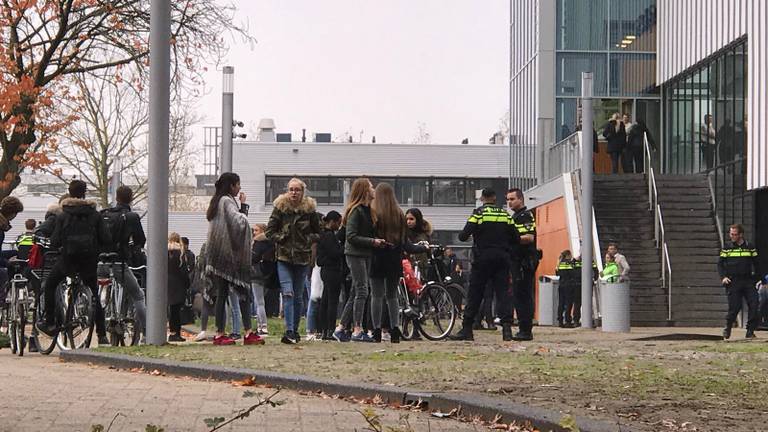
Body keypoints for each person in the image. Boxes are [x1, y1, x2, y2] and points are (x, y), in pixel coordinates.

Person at [36, 180, 111, 345]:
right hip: (89, 261)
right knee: (94, 295)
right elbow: (106, 238)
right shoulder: (95, 215)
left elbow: (55, 241)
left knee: (49, 285)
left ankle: (50, 323)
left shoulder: (63, 215)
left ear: (69, 193)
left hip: (67, 260)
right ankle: (102, 334)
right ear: (85, 193)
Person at [449, 188, 519, 342]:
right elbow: (515, 237)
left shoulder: (478, 214)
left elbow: (462, 236)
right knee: (503, 293)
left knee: (475, 293)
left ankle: (467, 328)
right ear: (494, 198)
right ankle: (507, 329)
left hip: (482, 258)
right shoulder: (505, 215)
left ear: (482, 199)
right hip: (502, 258)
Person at [204, 172, 264, 346]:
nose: (239, 188)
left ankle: (220, 333)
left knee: (222, 294)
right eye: (238, 184)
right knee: (243, 290)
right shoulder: (227, 201)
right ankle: (247, 332)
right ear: (231, 185)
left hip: (218, 254)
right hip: (229, 256)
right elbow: (238, 223)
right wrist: (244, 207)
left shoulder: (216, 202)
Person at [266, 177, 321, 344]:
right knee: (288, 293)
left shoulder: (309, 210)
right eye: (291, 189)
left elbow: (319, 232)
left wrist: (307, 239)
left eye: (297, 189)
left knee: (297, 296)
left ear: (303, 192)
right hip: (283, 257)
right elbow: (270, 231)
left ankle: (295, 330)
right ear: (286, 191)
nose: (293, 193)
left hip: (303, 258)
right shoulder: (280, 208)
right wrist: (281, 238)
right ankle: (289, 330)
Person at [369, 183, 427, 343]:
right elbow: (405, 243)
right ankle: (395, 329)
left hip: (377, 257)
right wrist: (420, 249)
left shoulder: (373, 213)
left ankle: (376, 330)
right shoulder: (399, 215)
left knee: (376, 296)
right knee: (392, 296)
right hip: (394, 259)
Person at [333, 178, 386, 343]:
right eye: (370, 187)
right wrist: (372, 241)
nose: (373, 189)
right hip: (355, 254)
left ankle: (341, 328)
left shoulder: (368, 210)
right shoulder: (356, 211)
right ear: (364, 190)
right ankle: (357, 329)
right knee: (363, 290)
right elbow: (351, 236)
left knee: (357, 291)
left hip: (365, 254)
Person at [98, 185, 148, 341]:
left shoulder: (103, 214)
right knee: (138, 295)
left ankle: (103, 319)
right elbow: (140, 239)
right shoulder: (131, 216)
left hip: (100, 263)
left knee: (98, 291)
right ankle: (147, 333)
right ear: (131, 197)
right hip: (119, 262)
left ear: (116, 197)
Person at [718, 224, 759, 340]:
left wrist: (758, 279)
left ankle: (750, 331)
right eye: (731, 234)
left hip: (748, 281)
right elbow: (720, 264)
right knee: (734, 307)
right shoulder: (727, 248)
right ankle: (728, 327)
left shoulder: (750, 247)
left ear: (741, 234)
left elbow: (757, 263)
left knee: (754, 304)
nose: (732, 236)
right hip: (733, 281)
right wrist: (723, 277)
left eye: (735, 234)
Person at [507, 187, 538, 341]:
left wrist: (510, 240)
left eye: (512, 199)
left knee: (523, 295)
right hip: (518, 260)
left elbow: (528, 237)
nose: (509, 202)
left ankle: (525, 330)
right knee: (519, 295)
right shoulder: (516, 216)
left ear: (520, 199)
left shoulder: (525, 216)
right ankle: (523, 328)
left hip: (524, 261)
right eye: (508, 199)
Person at [316, 211, 344, 341]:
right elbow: (335, 253)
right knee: (332, 301)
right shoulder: (329, 236)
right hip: (332, 270)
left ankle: (323, 329)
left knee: (326, 299)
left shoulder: (324, 235)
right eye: (338, 222)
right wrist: (343, 249)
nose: (339, 225)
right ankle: (329, 329)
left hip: (326, 271)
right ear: (332, 221)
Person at [167, 232, 190, 342]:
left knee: (172, 310)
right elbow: (184, 271)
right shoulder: (180, 253)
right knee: (177, 311)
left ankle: (172, 332)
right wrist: (187, 284)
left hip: (168, 284)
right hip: (178, 284)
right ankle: (176, 333)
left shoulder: (164, 252)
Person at [250, 223, 273, 335]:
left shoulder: (258, 243)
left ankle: (262, 326)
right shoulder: (270, 243)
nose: (254, 232)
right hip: (267, 274)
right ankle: (260, 326)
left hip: (256, 274)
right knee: (260, 301)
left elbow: (253, 258)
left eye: (256, 230)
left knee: (259, 302)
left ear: (262, 231)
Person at [405, 208, 432, 278]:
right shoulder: (403, 234)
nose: (408, 222)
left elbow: (429, 252)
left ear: (418, 219)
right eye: (407, 219)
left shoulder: (424, 235)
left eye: (411, 219)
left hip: (421, 268)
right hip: (406, 268)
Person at [556, 250, 577, 327]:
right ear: (568, 255)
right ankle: (568, 321)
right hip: (569, 285)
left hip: (561, 285)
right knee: (568, 303)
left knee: (561, 303)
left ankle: (560, 321)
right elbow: (573, 273)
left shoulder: (560, 263)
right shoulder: (568, 263)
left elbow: (557, 273)